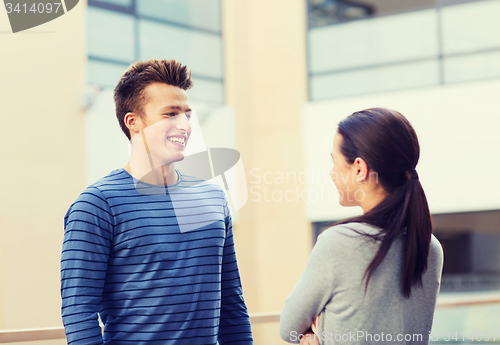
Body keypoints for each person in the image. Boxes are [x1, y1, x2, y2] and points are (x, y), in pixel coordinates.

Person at [60, 59, 253, 345]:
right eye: (170, 114)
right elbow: (79, 310)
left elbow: (231, 301)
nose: (184, 125)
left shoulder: (214, 199)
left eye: (187, 114)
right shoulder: (97, 205)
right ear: (133, 121)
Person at [279, 108, 444, 345]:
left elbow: (289, 328)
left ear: (359, 169)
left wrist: (320, 330)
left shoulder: (338, 243)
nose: (332, 174)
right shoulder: (429, 246)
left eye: (335, 162)